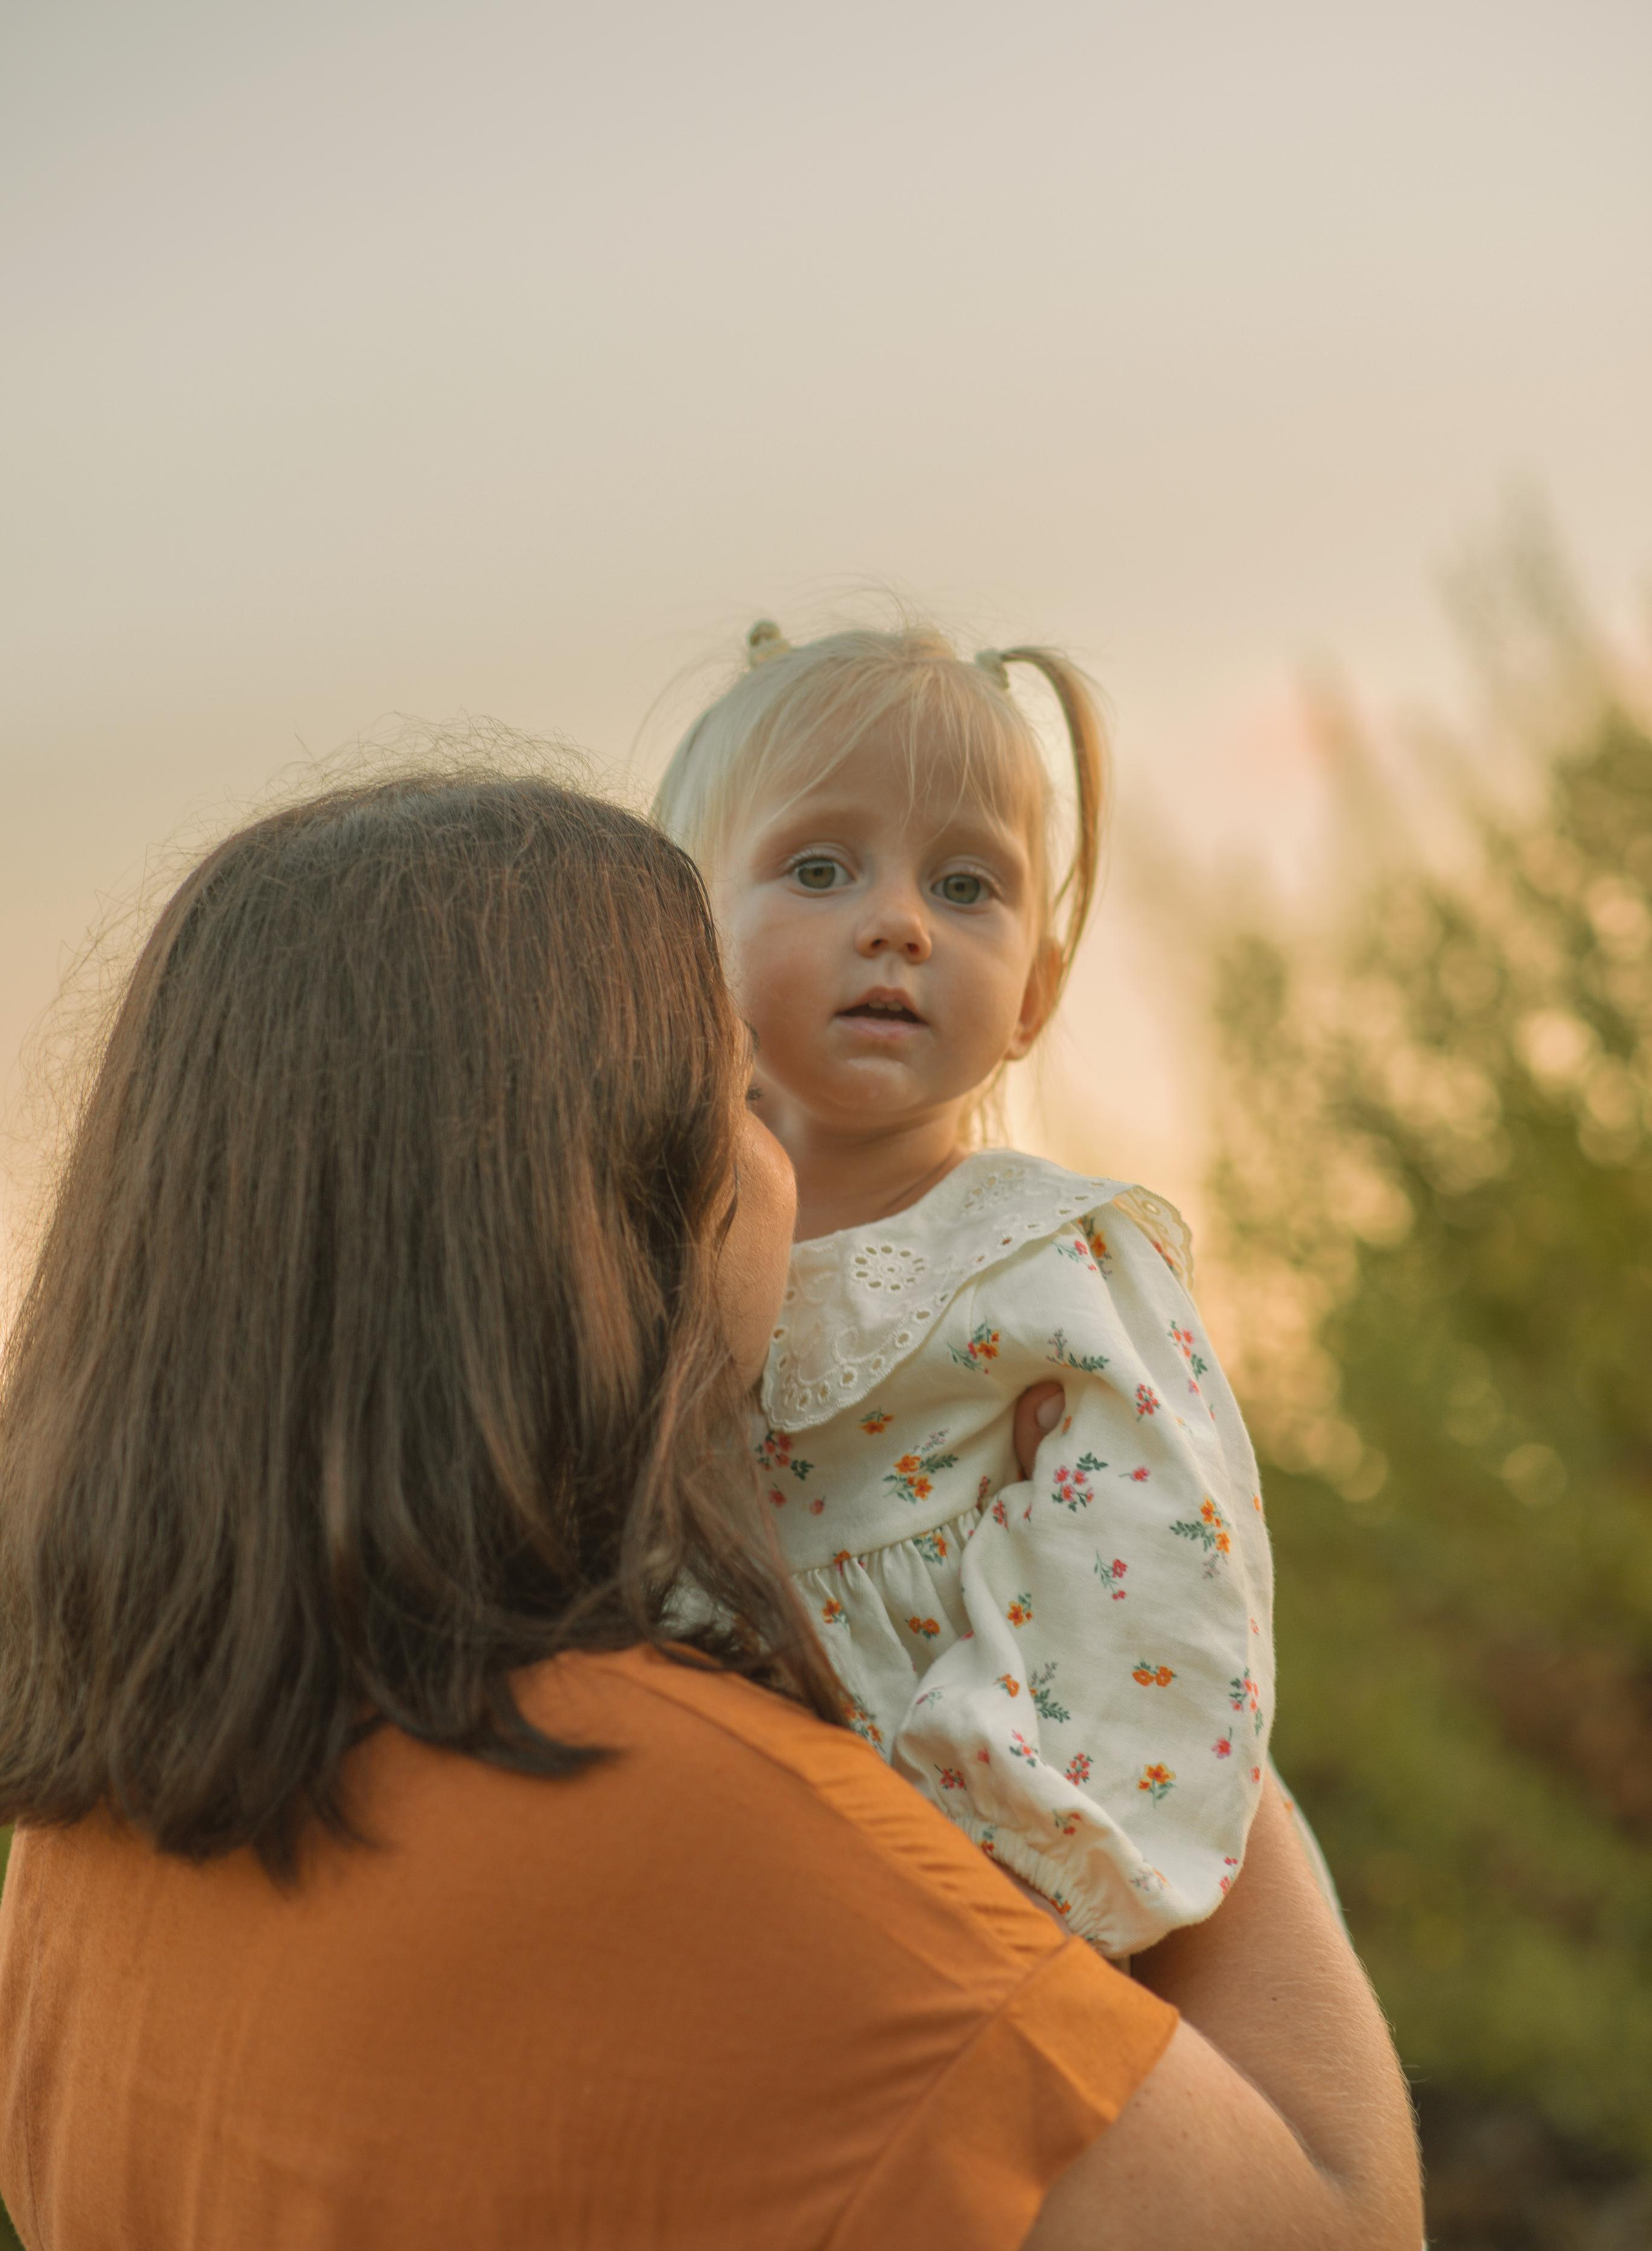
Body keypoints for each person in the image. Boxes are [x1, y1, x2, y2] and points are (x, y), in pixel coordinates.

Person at [0, 764, 1420, 2248]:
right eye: (742, 1097)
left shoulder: (88, 1820)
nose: (783, 1170)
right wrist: (1152, 1616)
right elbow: (1335, 2219)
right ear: (592, 1220)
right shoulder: (703, 1833)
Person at [654, 623, 1279, 1956]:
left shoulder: (1049, 1259)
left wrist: (976, 1848)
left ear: (1035, 999)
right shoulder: (628, 1254)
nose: (896, 923)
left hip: (964, 1890)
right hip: (677, 1847)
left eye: (965, 886)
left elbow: (1149, 1580)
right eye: (817, 869)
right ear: (680, 944)